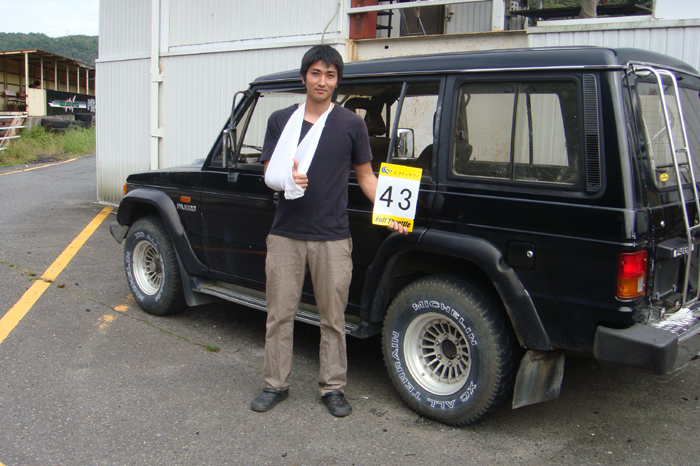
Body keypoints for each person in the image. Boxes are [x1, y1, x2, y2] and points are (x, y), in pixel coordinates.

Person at [251, 45, 408, 417]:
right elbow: (269, 172)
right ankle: (275, 384)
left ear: (337, 81)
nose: (322, 81)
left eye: (330, 75)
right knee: (279, 315)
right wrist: (287, 177)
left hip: (333, 237)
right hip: (286, 233)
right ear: (304, 77)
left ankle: (333, 388)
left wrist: (391, 213)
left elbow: (367, 177)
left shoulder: (351, 125)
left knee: (333, 320)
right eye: (316, 73)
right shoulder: (281, 120)